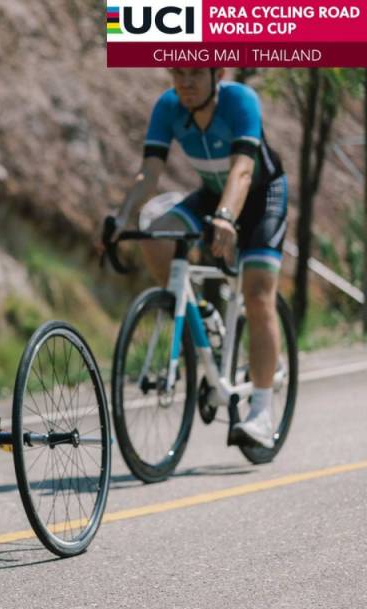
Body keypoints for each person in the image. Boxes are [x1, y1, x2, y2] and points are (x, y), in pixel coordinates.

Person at [102, 67, 287, 449]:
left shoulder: (240, 101)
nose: (185, 82)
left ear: (218, 73)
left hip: (261, 196)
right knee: (156, 238)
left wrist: (226, 217)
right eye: (178, 73)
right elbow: (149, 173)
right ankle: (202, 312)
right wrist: (121, 219)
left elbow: (243, 170)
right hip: (212, 194)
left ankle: (261, 413)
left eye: (195, 74)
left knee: (256, 293)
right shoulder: (168, 106)